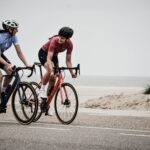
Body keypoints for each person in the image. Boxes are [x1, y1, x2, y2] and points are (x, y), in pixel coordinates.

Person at [38, 26, 77, 115]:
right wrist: (51, 70)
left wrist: (72, 72)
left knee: (54, 77)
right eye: (60, 36)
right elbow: (49, 58)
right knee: (50, 69)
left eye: (62, 38)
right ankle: (42, 89)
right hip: (44, 53)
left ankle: (46, 104)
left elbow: (68, 61)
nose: (60, 39)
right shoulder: (54, 40)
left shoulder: (70, 45)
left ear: (68, 39)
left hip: (54, 56)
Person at [0, 20, 31, 113]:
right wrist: (6, 64)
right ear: (9, 29)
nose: (17, 30)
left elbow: (19, 52)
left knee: (11, 71)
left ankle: (3, 91)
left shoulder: (14, 37)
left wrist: (27, 64)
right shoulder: (0, 37)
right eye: (15, 29)